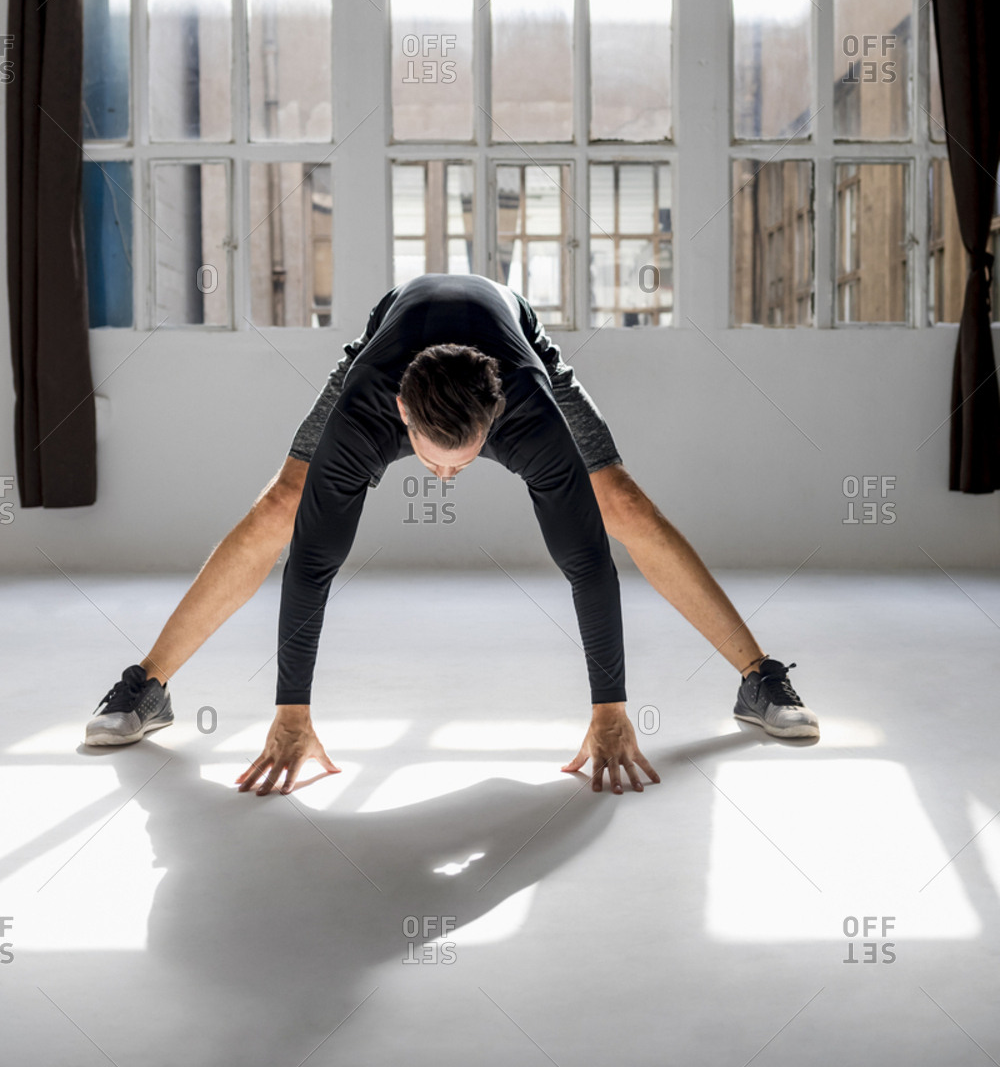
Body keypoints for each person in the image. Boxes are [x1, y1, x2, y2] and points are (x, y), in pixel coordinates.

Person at [86, 274, 819, 791]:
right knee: (284, 505)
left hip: (512, 336)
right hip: (390, 340)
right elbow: (311, 565)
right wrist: (291, 714)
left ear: (496, 424)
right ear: (402, 416)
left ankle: (759, 679)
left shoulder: (529, 412)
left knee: (620, 504)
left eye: (461, 464)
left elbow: (588, 563)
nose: (442, 479)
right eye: (434, 464)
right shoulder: (365, 411)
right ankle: (146, 688)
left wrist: (610, 710)